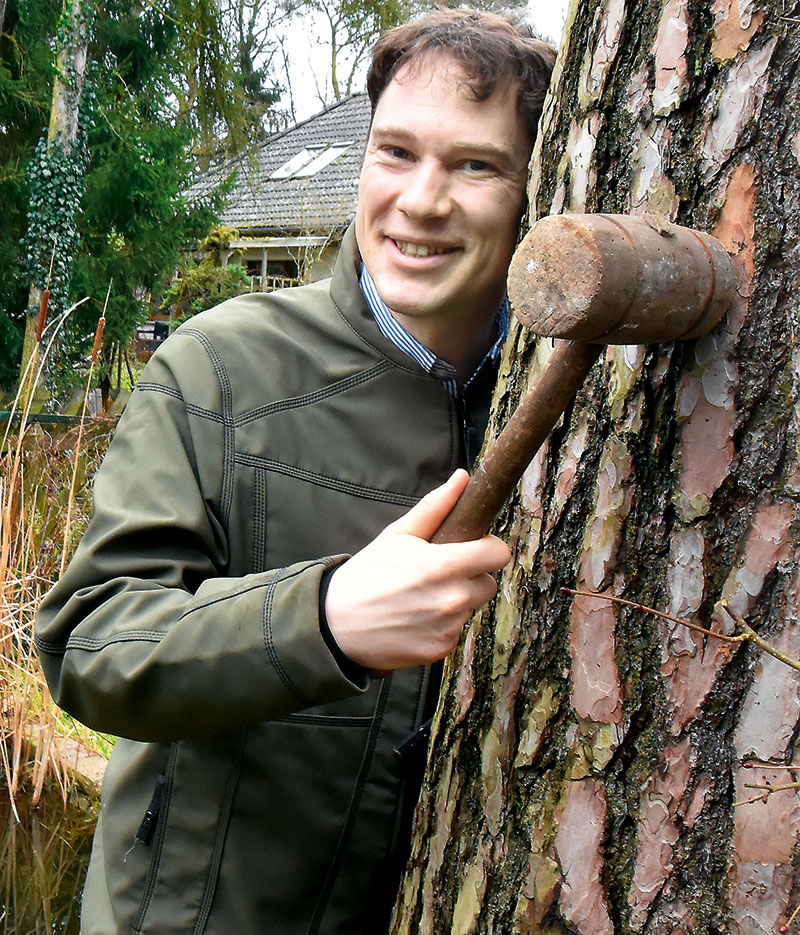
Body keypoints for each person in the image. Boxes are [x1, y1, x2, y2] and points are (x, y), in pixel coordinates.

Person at [35, 10, 555, 934]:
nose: (422, 200)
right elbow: (88, 643)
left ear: (535, 189)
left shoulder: (568, 404)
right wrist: (325, 621)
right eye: (395, 152)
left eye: (476, 165)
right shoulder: (222, 368)